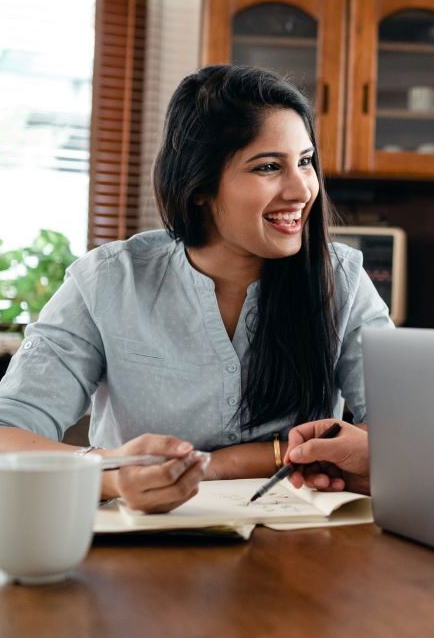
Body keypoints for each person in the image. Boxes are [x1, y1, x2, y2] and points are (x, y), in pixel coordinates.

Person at [0, 65, 390, 513]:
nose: (302, 189)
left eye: (305, 162)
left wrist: (225, 465)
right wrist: (111, 472)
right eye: (268, 167)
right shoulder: (108, 281)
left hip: (303, 551)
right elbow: (7, 435)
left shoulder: (341, 279)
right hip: (140, 550)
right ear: (199, 185)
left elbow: (403, 433)